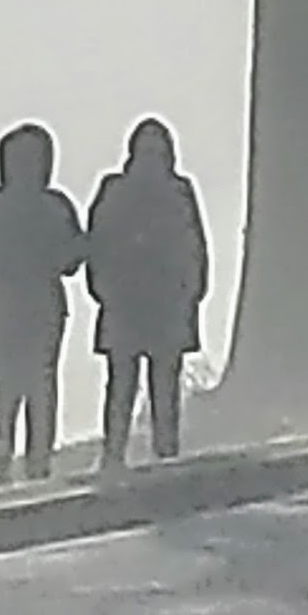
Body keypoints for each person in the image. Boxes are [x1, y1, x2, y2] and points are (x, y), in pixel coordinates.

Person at [85, 115, 212, 469]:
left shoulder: (164, 191)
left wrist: (193, 289)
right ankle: (123, 450)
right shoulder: (146, 190)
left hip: (154, 301)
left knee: (154, 382)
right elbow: (100, 243)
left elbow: (193, 245)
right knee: (130, 382)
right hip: (136, 301)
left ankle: (155, 449)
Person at [0, 123, 86, 481]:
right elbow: (72, 260)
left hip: (3, 308)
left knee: (10, 381)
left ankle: (10, 450)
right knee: (38, 382)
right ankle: (32, 455)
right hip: (33, 306)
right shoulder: (52, 206)